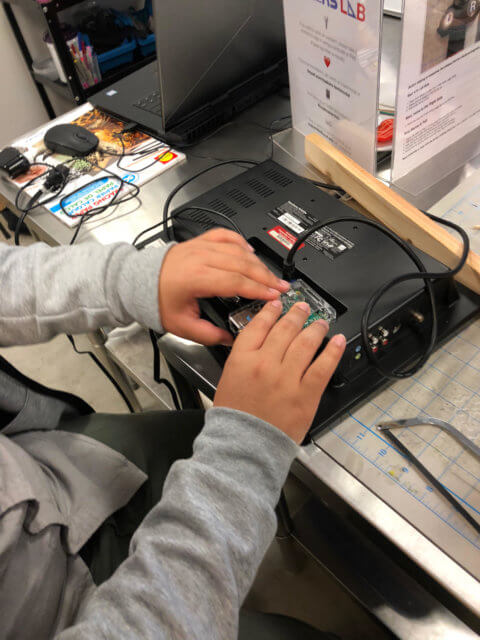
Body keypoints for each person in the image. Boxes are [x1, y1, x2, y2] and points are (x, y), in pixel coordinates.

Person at [0, 228, 346, 640]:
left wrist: (125, 279)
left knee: (191, 431)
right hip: (64, 614)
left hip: (44, 474)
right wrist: (245, 450)